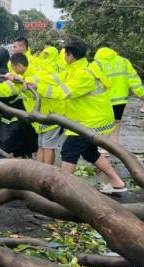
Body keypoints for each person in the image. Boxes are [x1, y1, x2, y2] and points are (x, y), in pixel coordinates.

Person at [26, 40, 128, 194]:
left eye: (64, 54)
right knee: (89, 152)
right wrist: (32, 81)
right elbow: (56, 79)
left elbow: (62, 93)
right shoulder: (78, 68)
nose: (63, 57)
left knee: (69, 150)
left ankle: (62, 192)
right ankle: (117, 182)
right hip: (89, 117)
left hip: (92, 119)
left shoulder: (83, 74)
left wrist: (38, 88)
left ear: (70, 55)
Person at [0, 53, 65, 165]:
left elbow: (32, 80)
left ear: (19, 65)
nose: (13, 71)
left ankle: (47, 171)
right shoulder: (23, 76)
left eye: (13, 67)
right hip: (41, 116)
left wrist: (18, 78)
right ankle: (39, 170)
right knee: (41, 144)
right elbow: (8, 88)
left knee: (48, 146)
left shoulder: (37, 72)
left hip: (52, 114)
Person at [92, 43, 144, 148]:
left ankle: (104, 146)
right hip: (120, 98)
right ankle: (114, 143)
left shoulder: (96, 63)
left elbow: (92, 82)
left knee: (104, 121)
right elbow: (133, 77)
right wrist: (140, 92)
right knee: (117, 120)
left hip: (104, 98)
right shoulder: (124, 61)